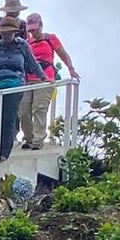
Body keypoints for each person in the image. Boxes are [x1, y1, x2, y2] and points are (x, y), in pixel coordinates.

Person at [0, 15, 40, 161]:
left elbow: (32, 63)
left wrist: (43, 77)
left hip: (15, 85)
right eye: (4, 31)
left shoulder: (22, 45)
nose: (7, 34)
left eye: (9, 31)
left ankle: (3, 153)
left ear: (14, 32)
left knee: (8, 118)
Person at [20, 12, 76, 149]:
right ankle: (28, 138)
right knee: (24, 110)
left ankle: (38, 140)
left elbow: (63, 53)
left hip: (45, 79)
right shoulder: (27, 43)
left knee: (39, 108)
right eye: (31, 30)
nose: (33, 32)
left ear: (41, 26)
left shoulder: (51, 38)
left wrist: (71, 68)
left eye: (35, 28)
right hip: (28, 79)